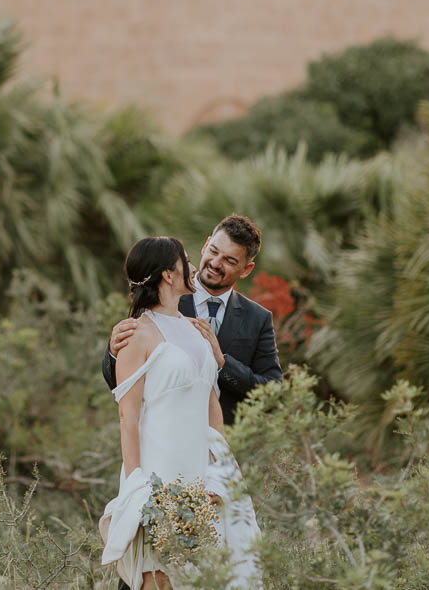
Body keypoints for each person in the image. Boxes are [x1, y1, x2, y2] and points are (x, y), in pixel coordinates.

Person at [99, 236, 262, 590]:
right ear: (167, 276)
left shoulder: (196, 331)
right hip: (159, 478)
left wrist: (219, 474)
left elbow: (212, 406)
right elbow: (128, 417)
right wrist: (139, 485)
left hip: (202, 482)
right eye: (183, 261)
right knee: (159, 581)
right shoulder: (135, 334)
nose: (193, 266)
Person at [102, 215, 283, 425]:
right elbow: (122, 386)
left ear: (246, 269)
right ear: (206, 245)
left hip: (230, 443)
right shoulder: (159, 300)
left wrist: (223, 364)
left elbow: (273, 390)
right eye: (213, 251)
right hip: (167, 435)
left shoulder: (258, 318)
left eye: (229, 260)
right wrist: (114, 354)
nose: (215, 263)